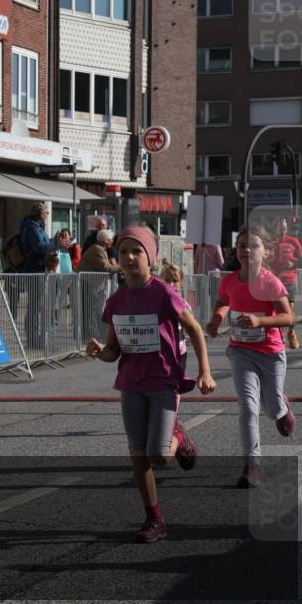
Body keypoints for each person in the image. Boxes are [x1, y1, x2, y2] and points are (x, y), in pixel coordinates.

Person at [87, 226, 216, 543]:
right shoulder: (115, 302)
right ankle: (154, 519)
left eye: (137, 251)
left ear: (149, 257)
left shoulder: (163, 293)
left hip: (162, 382)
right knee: (138, 456)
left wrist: (205, 372)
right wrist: (100, 352)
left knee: (159, 456)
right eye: (123, 252)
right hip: (131, 384)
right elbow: (114, 350)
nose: (129, 257)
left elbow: (196, 329)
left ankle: (178, 435)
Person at [206, 226, 295, 488]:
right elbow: (223, 301)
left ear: (265, 252)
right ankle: (252, 465)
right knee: (248, 406)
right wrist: (216, 319)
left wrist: (260, 320)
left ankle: (282, 408)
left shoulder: (270, 282)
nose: (246, 250)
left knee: (271, 408)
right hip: (241, 351)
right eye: (242, 245)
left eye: (253, 245)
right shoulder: (230, 280)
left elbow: (288, 317)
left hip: (270, 353)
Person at [19, 203, 57, 347]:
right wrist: (55, 243)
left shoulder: (36, 227)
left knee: (35, 305)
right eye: (45, 213)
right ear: (39, 214)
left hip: (37, 270)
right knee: (34, 306)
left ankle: (34, 338)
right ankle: (33, 339)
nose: (47, 215)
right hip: (33, 270)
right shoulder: (33, 228)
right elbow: (40, 247)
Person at [78, 229, 122, 345]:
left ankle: (92, 335)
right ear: (105, 240)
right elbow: (106, 268)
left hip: (92, 283)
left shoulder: (100, 249)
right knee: (91, 310)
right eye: (110, 239)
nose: (112, 241)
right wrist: (122, 267)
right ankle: (91, 336)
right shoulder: (97, 249)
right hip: (89, 282)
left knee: (93, 309)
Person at [268, 218, 302, 349]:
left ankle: (291, 332)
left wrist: (293, 263)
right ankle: (279, 335)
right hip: (275, 282)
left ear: (287, 228)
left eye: (284, 229)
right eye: (280, 229)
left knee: (290, 310)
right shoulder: (271, 242)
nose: (282, 232)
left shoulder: (293, 241)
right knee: (276, 311)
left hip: (290, 280)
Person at [158, 259, 190, 372]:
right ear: (160, 281)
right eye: (167, 280)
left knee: (177, 385)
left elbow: (192, 327)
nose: (171, 284)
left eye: (175, 280)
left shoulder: (184, 305)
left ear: (181, 283)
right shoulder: (156, 303)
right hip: (161, 352)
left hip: (180, 352)